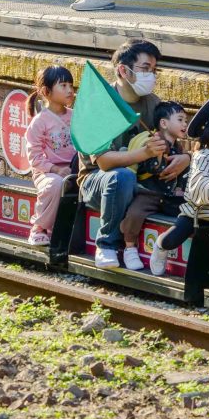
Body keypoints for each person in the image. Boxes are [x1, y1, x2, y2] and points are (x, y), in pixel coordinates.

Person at [76, 40, 190, 269]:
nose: (151, 75)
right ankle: (106, 244)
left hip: (142, 180)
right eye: (145, 69)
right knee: (122, 177)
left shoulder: (152, 103)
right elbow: (105, 162)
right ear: (123, 70)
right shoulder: (99, 103)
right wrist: (144, 152)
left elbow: (172, 139)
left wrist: (185, 159)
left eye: (154, 70)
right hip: (98, 180)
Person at [151, 94, 209, 276]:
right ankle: (161, 245)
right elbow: (199, 180)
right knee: (175, 236)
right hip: (196, 213)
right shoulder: (202, 156)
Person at [119, 101, 189, 270]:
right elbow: (151, 168)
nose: (185, 124)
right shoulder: (152, 142)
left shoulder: (178, 147)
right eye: (180, 119)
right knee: (136, 212)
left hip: (169, 195)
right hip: (149, 192)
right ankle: (129, 247)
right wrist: (157, 155)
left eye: (185, 120)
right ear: (163, 123)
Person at [24, 65, 76, 246]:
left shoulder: (75, 116)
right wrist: (55, 169)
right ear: (46, 91)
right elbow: (34, 156)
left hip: (75, 169)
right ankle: (39, 227)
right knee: (55, 184)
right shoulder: (39, 122)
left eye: (71, 85)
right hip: (46, 172)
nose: (70, 90)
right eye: (63, 85)